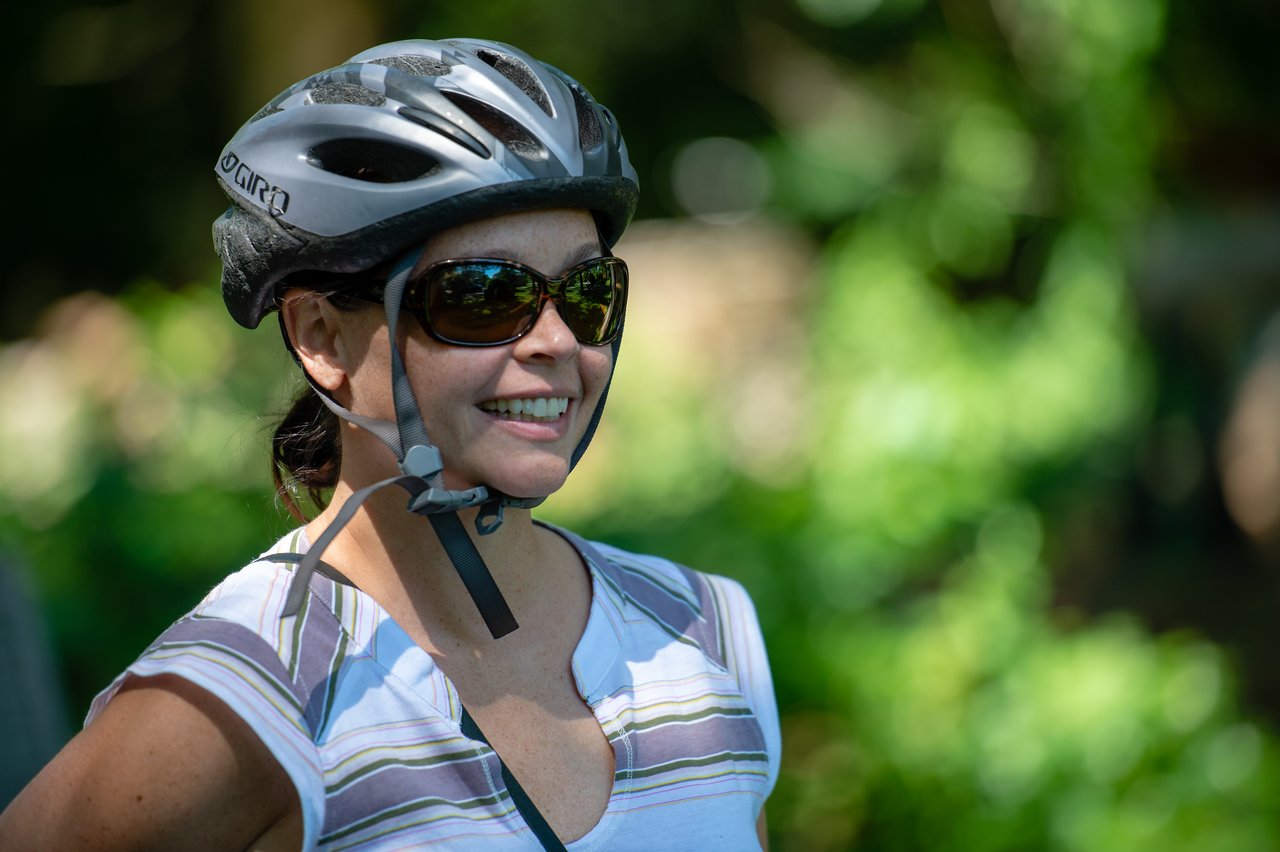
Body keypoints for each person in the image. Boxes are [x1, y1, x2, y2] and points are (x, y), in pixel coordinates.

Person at [0, 38, 779, 850]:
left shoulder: (705, 629)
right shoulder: (233, 700)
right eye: (483, 295)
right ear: (321, 336)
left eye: (587, 294)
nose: (556, 339)